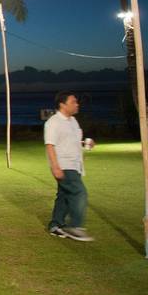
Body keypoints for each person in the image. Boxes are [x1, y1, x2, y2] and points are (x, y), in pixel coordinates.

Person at [45, 91, 92, 241]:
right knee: (79, 192)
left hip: (75, 165)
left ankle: (55, 225)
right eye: (73, 102)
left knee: (64, 196)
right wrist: (55, 167)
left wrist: (85, 144)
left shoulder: (73, 121)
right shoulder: (53, 122)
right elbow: (50, 145)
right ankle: (76, 226)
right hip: (64, 165)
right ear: (62, 104)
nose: (77, 104)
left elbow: (72, 141)